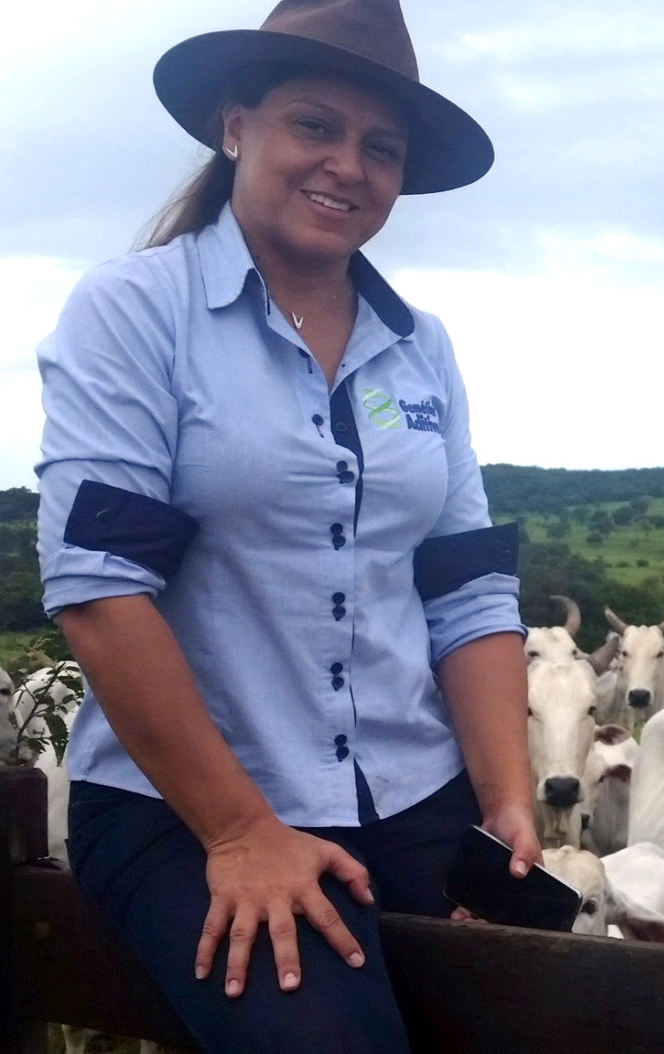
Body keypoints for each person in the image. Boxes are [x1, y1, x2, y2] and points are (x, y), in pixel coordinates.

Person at [34, 1, 539, 1050]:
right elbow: (100, 587)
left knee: (561, 1014)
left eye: (381, 146)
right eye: (316, 125)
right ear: (235, 126)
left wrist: (506, 806)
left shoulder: (420, 346)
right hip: (187, 805)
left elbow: (465, 585)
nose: (348, 165)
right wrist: (240, 830)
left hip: (414, 789)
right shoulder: (136, 313)